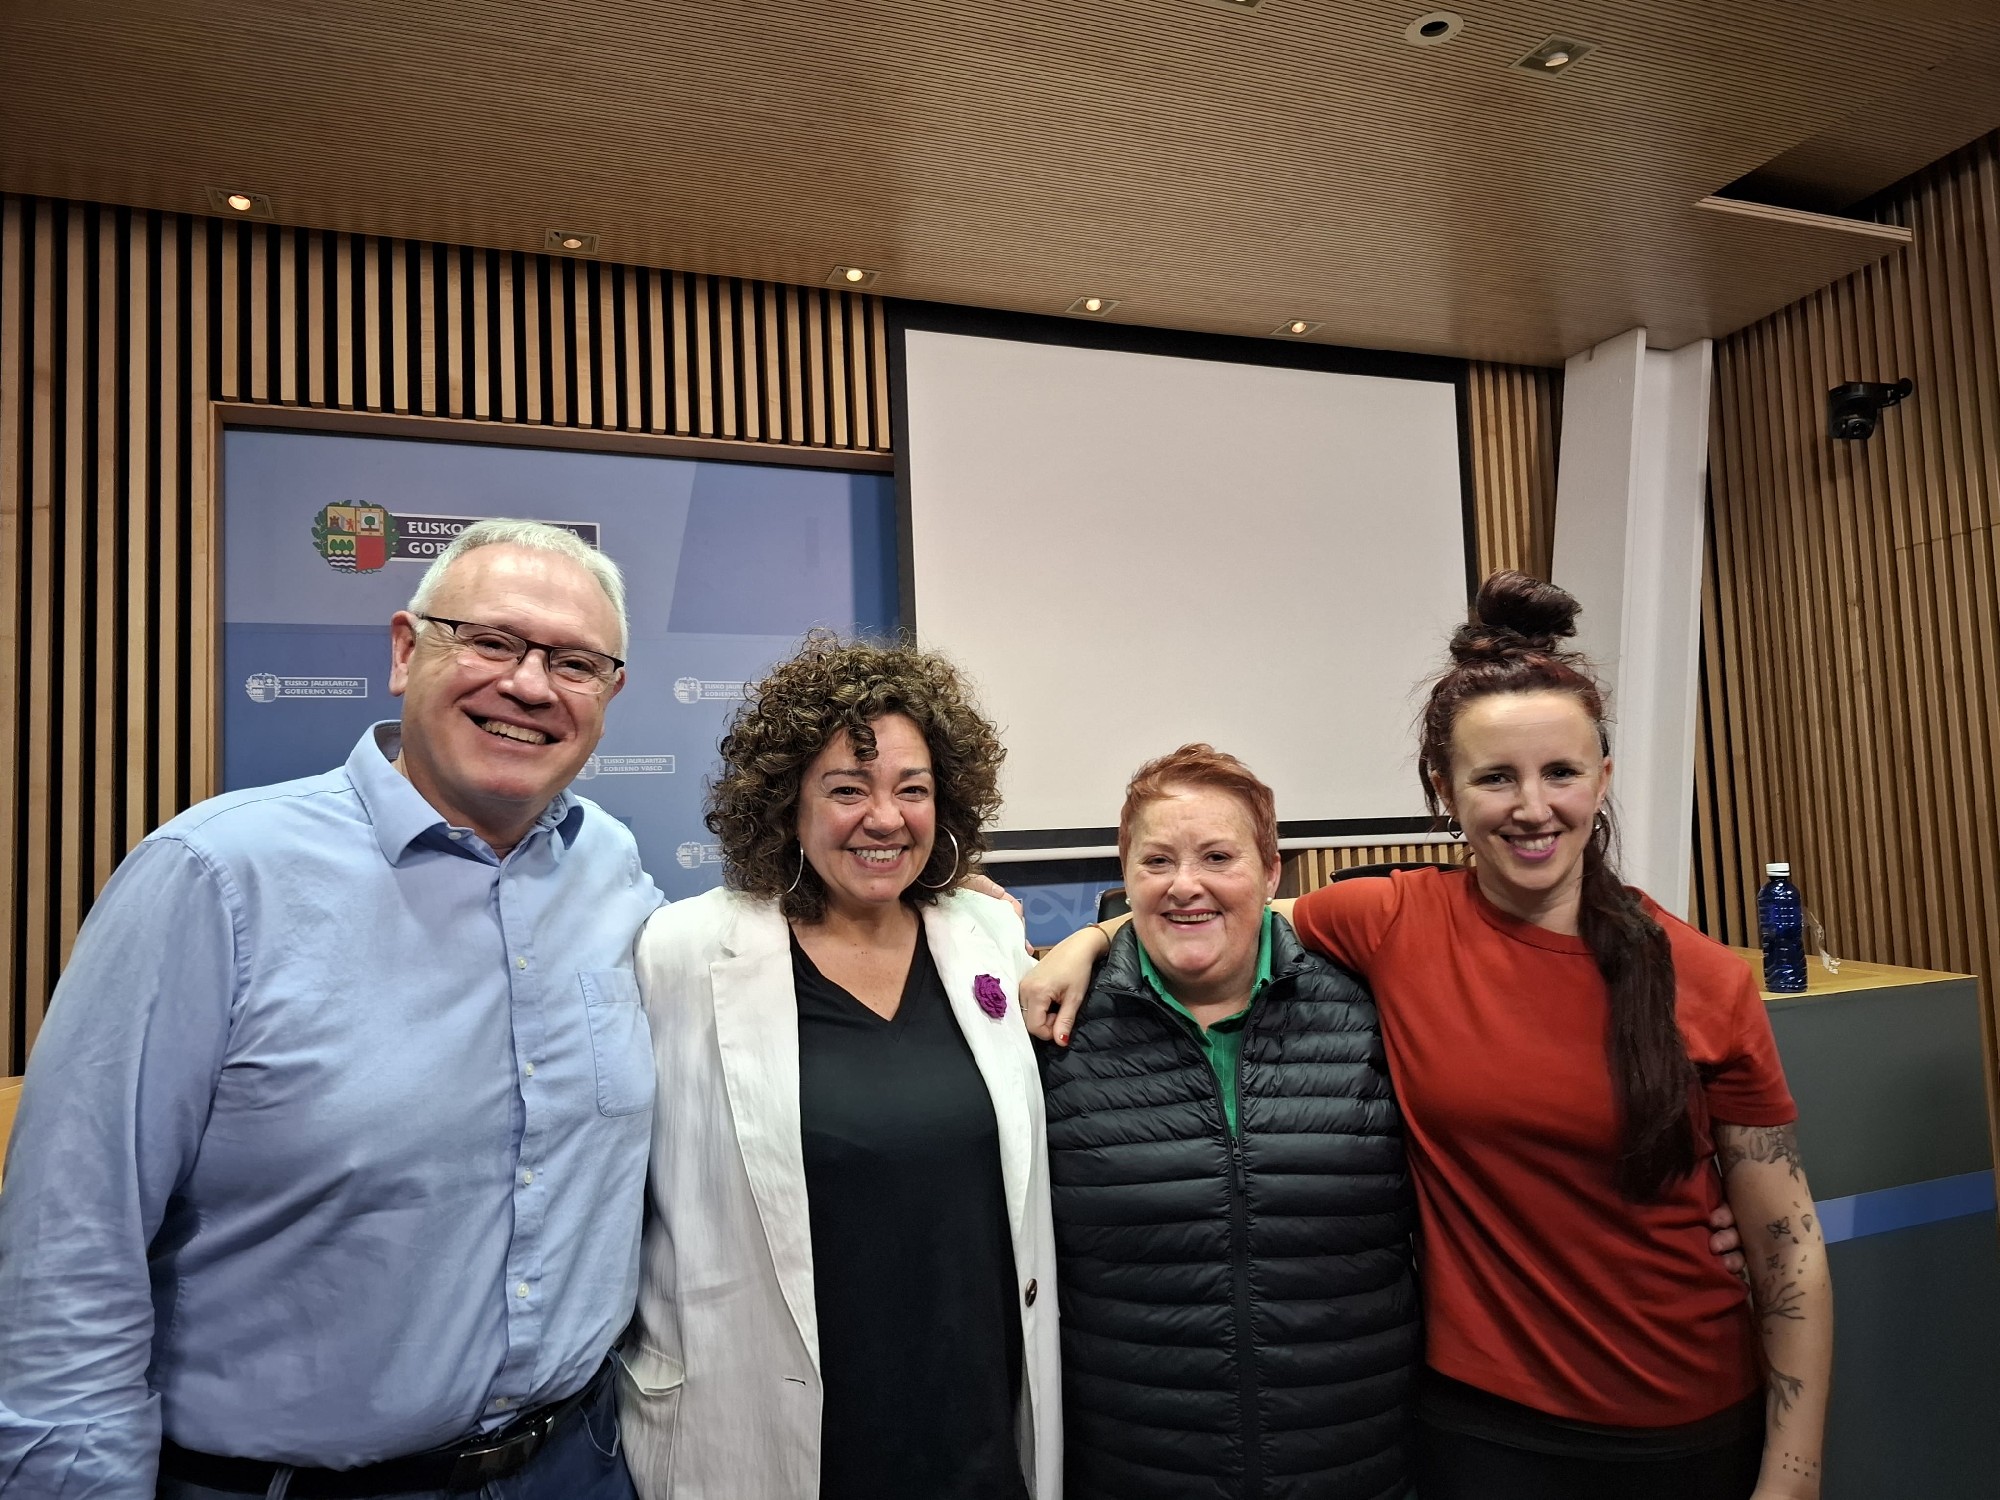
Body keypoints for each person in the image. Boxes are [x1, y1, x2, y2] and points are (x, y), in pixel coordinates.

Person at [1028, 573, 1832, 1500]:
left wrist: (1794, 1476)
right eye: (1495, 777)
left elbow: (1788, 1248)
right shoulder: (1391, 922)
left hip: (1687, 1428)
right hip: (1479, 1432)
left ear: (1602, 780)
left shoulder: (1706, 977)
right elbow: (1220, 911)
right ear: (1445, 791)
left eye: (1561, 772)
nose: (1532, 806)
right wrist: (1091, 940)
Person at [0, 519, 663, 1499]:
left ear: (608, 696)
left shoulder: (611, 866)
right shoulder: (213, 879)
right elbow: (71, 1241)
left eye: (574, 663)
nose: (530, 685)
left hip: (577, 1463)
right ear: (404, 650)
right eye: (490, 641)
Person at [619, 634, 1059, 1500]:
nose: (885, 818)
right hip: (776, 1432)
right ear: (787, 802)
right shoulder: (684, 951)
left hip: (972, 1429)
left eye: (913, 789)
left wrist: (1095, 934)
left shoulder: (987, 936)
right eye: (847, 789)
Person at [1040, 745, 1420, 1500]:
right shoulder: (1056, 1031)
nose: (1186, 885)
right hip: (1135, 1471)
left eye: (1218, 857)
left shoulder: (1374, 1010)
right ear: (1126, 877)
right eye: (1157, 861)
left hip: (1357, 1467)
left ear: (1272, 873)